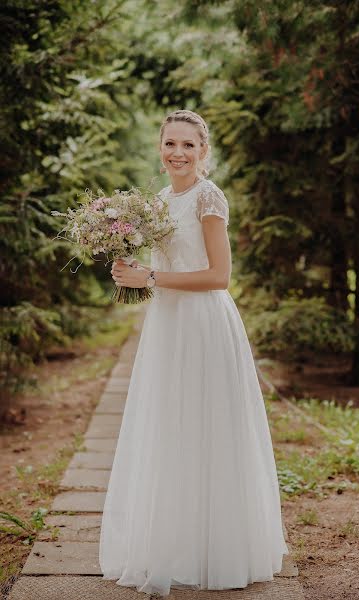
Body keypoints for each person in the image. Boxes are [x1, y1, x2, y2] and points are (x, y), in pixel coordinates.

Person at [99, 109, 289, 597]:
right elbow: (166, 264)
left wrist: (153, 278)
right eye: (170, 144)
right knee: (170, 427)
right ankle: (177, 543)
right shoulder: (161, 200)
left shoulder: (208, 196)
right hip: (167, 325)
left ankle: (218, 549)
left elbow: (218, 276)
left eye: (188, 145)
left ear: (203, 151)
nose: (178, 153)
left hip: (204, 323)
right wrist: (131, 271)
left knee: (207, 427)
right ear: (159, 148)